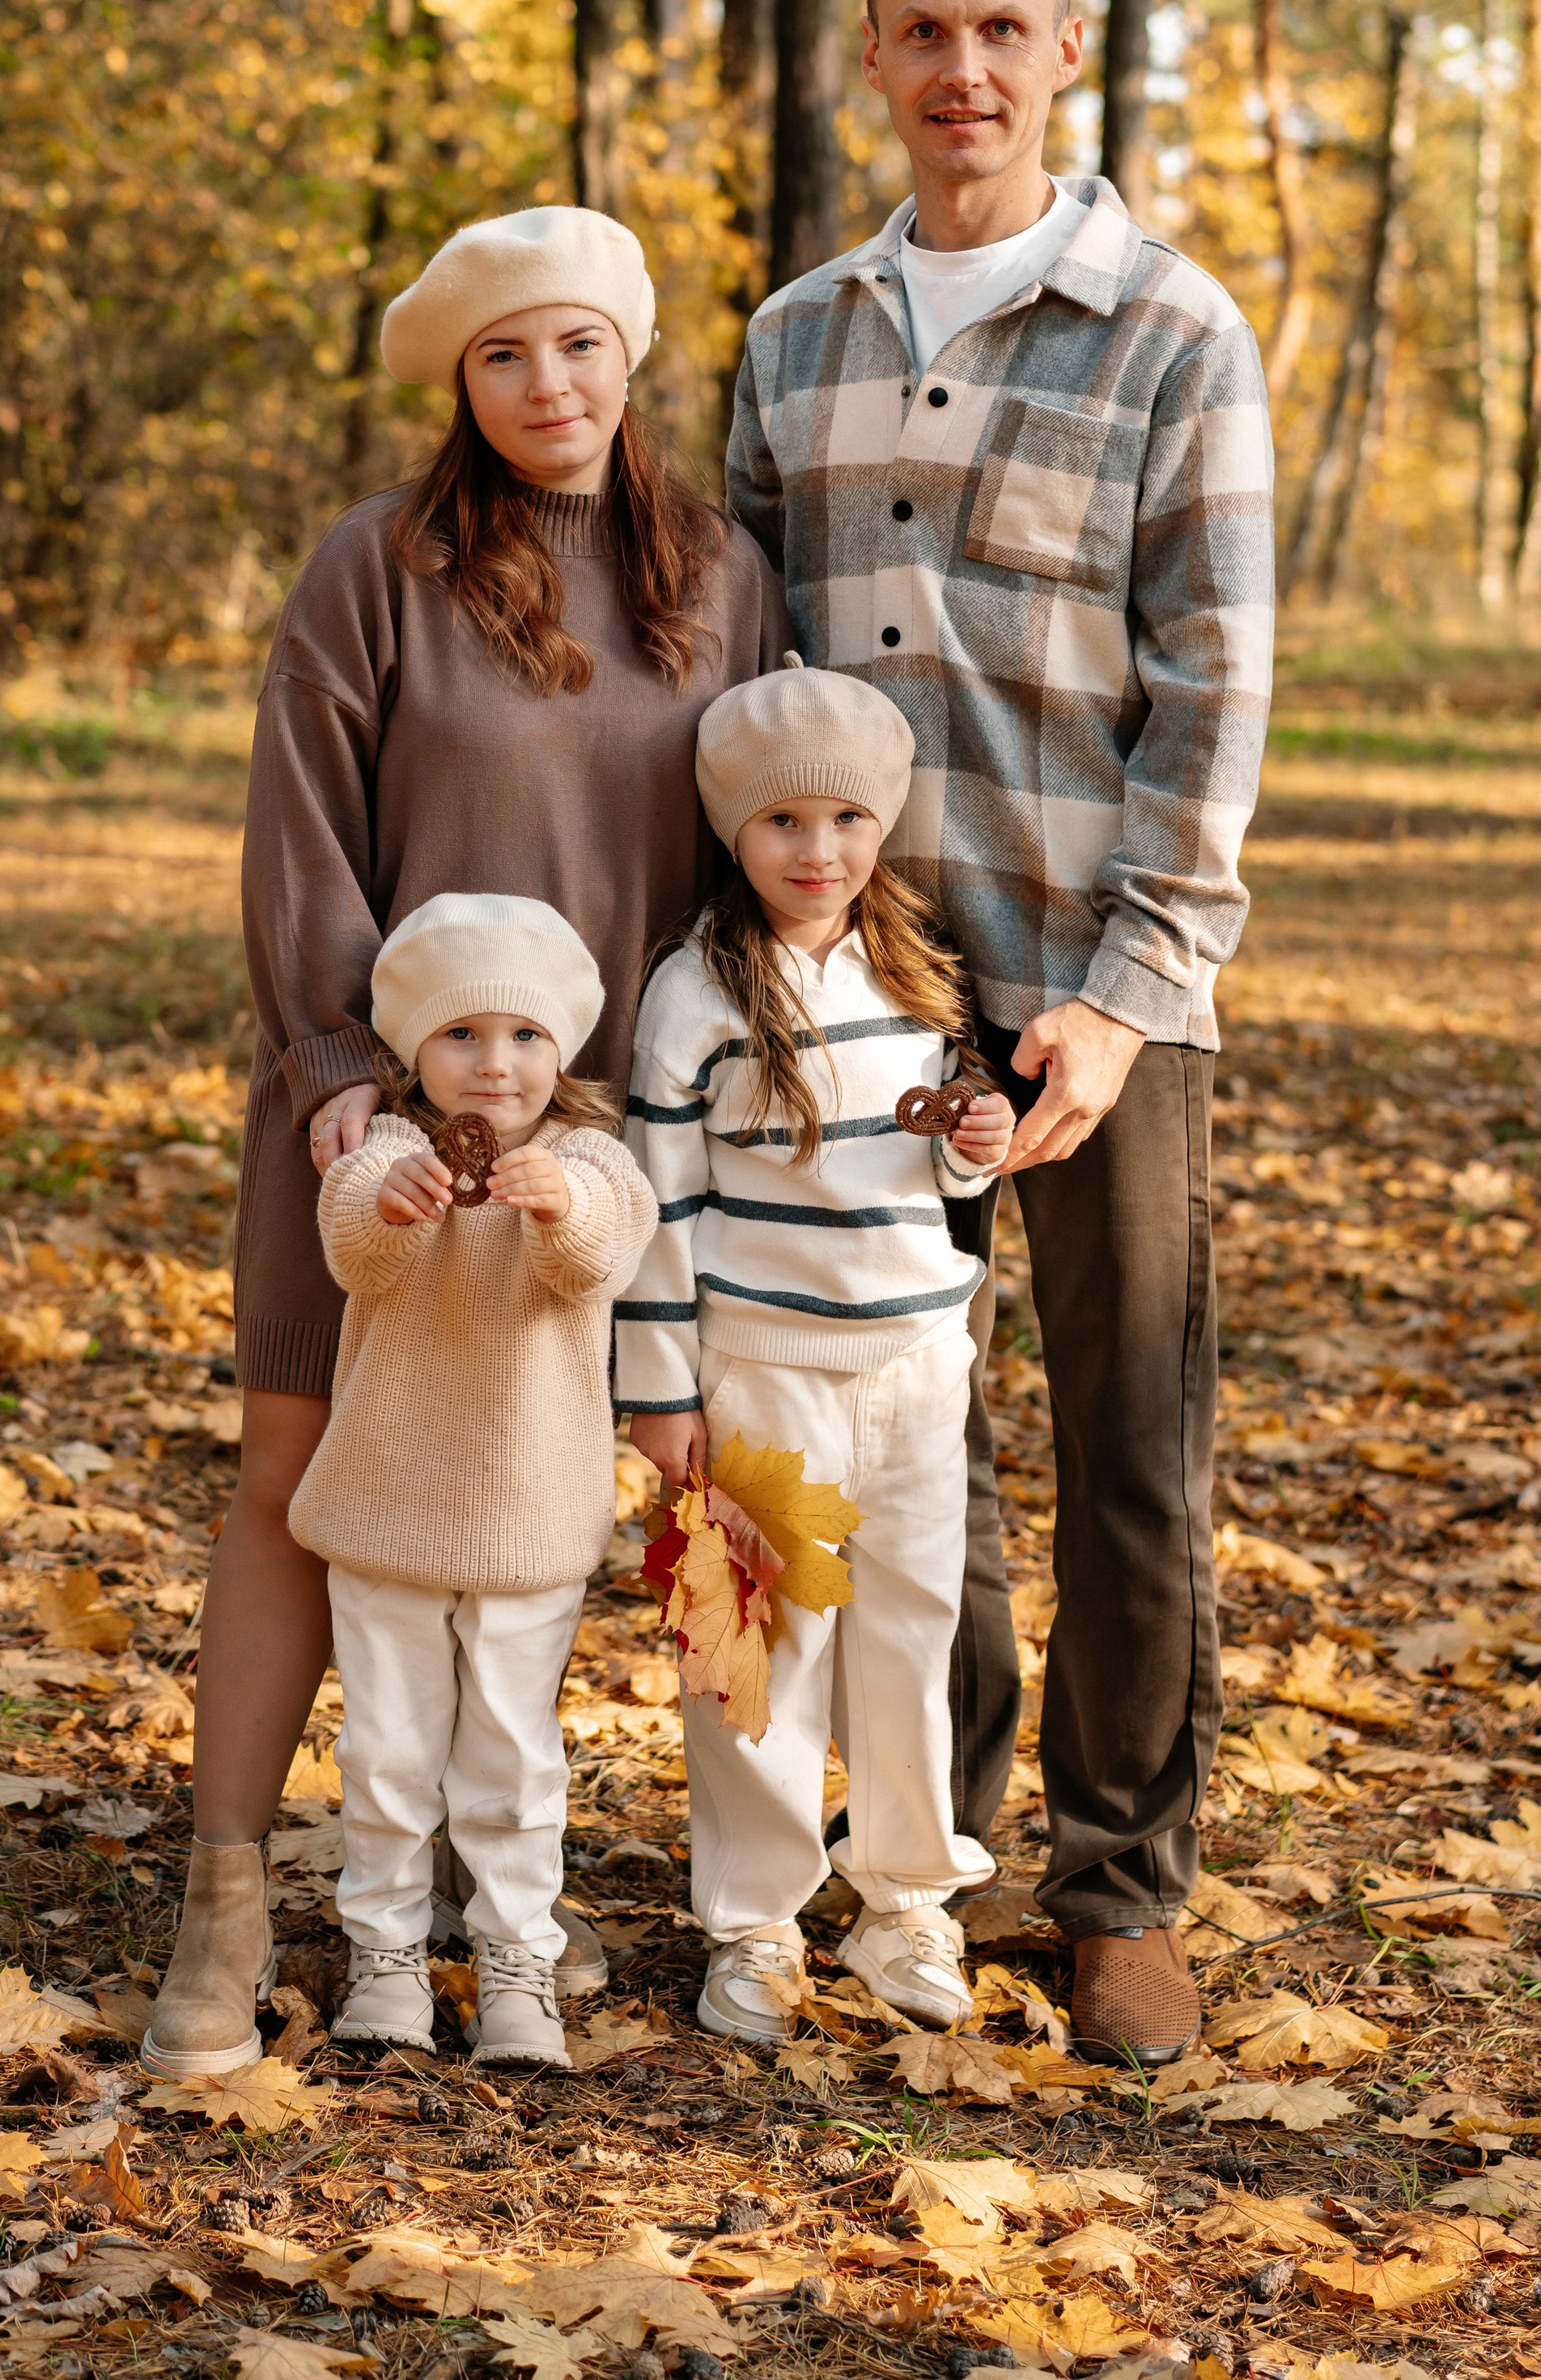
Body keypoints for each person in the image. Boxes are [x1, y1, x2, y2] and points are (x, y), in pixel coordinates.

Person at [142, 202, 789, 2080]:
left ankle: (601, 1904)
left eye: (576, 343)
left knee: (579, 1486)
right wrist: (340, 1063)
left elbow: (762, 840)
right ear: (461, 381)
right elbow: (297, 833)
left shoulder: (724, 578)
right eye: (502, 353)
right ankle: (228, 1891)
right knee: (295, 1458)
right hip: (369, 1103)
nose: (545, 383)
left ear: (630, 353)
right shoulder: (377, 567)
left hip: (605, 1138)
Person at [727, 0, 1276, 2067]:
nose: (962, 68)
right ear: (875, 55)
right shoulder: (794, 341)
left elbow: (1211, 693)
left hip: (1096, 995)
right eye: (921, 28)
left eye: (1001, 30)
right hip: (862, 995)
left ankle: (1122, 1879)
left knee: (1127, 1439)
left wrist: (1128, 990)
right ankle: (924, 1845)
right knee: (887, 1417)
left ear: (1067, 53)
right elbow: (749, 686)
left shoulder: (1172, 328)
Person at [618, 663, 1016, 2046]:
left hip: (914, 1361)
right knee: (759, 1654)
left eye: (848, 817)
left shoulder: (916, 969)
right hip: (764, 1371)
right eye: (784, 820)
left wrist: (977, 1134)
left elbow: (946, 1136)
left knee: (910, 1635)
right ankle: (755, 1921)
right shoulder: (696, 996)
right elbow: (660, 1211)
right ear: (735, 829)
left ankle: (908, 1894)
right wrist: (661, 1389)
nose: (819, 850)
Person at [289, 894, 656, 2069]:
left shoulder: (590, 1158)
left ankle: (515, 1962)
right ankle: (386, 1956)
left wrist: (562, 1206)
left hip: (528, 1518)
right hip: (390, 1512)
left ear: (565, 1049)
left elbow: (604, 1246)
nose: (494, 1066)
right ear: (413, 1052)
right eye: (461, 1036)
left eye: (524, 1037)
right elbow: (355, 1242)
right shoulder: (392, 1153)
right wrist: (393, 1209)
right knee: (388, 1754)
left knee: (511, 1757)